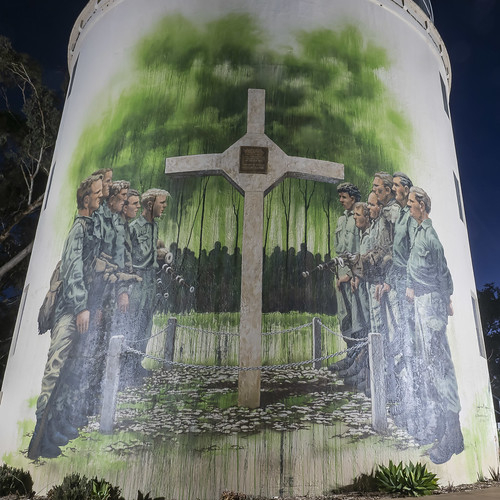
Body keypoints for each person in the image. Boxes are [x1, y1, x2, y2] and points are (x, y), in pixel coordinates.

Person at [28, 174, 103, 459]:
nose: (100, 196)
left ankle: (54, 429)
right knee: (55, 371)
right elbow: (72, 272)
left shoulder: (89, 228)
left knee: (68, 372)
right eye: (96, 193)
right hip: (67, 313)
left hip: (78, 310)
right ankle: (39, 438)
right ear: (86, 199)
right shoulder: (78, 231)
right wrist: (82, 307)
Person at [406, 186, 464, 464]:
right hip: (422, 302)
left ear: (422, 206)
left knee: (440, 369)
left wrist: (447, 298)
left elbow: (443, 271)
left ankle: (451, 437)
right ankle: (448, 432)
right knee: (429, 367)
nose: (407, 206)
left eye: (410, 202)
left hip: (432, 305)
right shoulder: (418, 231)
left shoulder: (430, 236)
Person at [126, 188, 169, 384]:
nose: (165, 206)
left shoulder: (155, 227)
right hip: (137, 282)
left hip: (151, 282)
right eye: (162, 202)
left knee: (147, 326)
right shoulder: (134, 228)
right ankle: (126, 368)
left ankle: (137, 365)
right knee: (133, 324)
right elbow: (127, 257)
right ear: (150, 205)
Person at [331, 182, 369, 375]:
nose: (341, 200)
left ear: (353, 198)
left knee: (358, 319)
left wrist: (351, 275)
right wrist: (338, 275)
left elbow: (361, 248)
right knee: (344, 317)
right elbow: (339, 249)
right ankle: (349, 356)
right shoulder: (341, 220)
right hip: (341, 275)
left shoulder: (360, 216)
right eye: (340, 197)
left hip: (354, 276)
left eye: (344, 197)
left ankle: (359, 361)